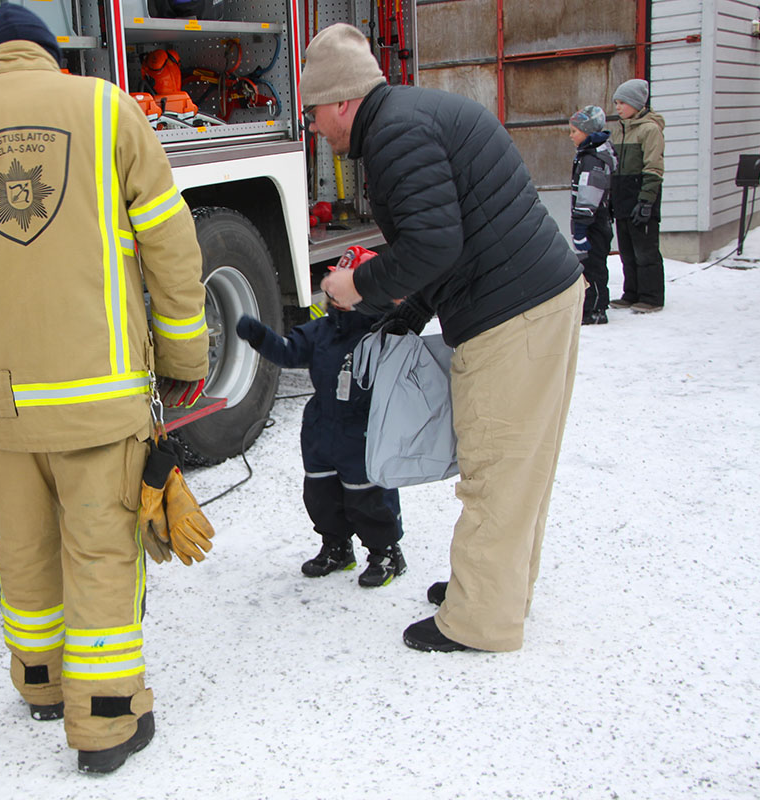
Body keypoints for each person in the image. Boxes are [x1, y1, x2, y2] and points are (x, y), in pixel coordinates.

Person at [0, 4, 209, 774]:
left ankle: (40, 685)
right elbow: (169, 243)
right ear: (49, 55)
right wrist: (182, 351)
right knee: (103, 553)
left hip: (3, 405)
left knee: (27, 550)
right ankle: (107, 723)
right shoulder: (108, 110)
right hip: (99, 397)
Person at [303, 23, 584, 653]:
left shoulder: (395, 135)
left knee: (497, 468)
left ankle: (480, 621)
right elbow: (439, 244)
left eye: (315, 112)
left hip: (514, 314)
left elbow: (433, 244)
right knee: (519, 469)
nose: (314, 126)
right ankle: (492, 589)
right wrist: (401, 318)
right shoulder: (405, 117)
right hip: (533, 298)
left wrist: (359, 289)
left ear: (344, 100)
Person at [234, 247, 407, 589]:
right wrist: (259, 335)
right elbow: (287, 352)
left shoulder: (385, 333)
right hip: (320, 427)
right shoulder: (321, 330)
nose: (334, 294)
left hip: (364, 429)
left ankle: (385, 551)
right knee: (320, 493)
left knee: (368, 494)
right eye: (333, 286)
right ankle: (336, 545)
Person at [609, 78, 666, 313]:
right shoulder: (621, 130)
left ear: (636, 104)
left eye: (622, 103)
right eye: (616, 103)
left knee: (645, 250)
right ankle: (631, 292)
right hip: (623, 199)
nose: (618, 107)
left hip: (641, 197)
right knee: (627, 250)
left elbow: (654, 167)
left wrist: (646, 201)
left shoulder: (649, 130)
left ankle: (651, 296)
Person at [568, 105, 616, 325]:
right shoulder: (589, 154)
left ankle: (596, 309)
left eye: (574, 132)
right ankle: (590, 304)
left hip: (593, 222)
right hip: (594, 220)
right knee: (589, 264)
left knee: (593, 265)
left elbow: (589, 196)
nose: (571, 136)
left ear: (587, 132)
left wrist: (580, 227)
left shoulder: (593, 160)